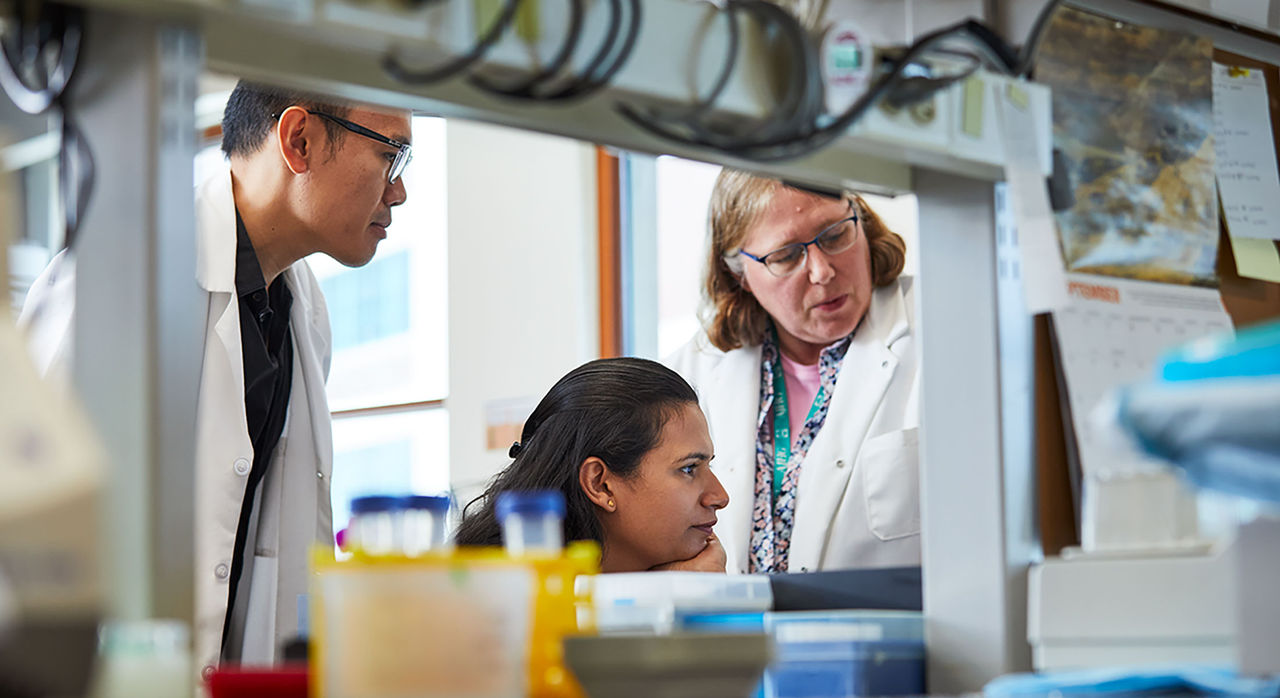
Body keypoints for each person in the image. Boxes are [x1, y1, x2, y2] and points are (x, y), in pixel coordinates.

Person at [18, 81, 412, 675]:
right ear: (298, 140)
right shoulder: (120, 276)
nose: (400, 192)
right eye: (391, 155)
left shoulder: (304, 312)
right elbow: (25, 521)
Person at [667, 169, 919, 576]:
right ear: (739, 274)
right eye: (786, 256)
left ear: (860, 218)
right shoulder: (690, 373)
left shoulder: (938, 332)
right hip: (737, 634)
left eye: (836, 235)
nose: (822, 271)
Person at [455, 357, 731, 573]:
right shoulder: (491, 603)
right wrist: (669, 592)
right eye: (689, 468)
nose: (720, 497)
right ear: (600, 484)